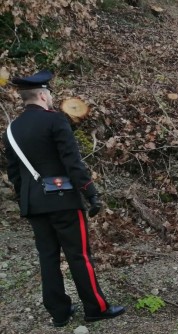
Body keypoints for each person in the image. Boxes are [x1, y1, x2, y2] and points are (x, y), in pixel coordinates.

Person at [2, 70, 125, 327]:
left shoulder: (11, 130)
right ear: (43, 95)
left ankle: (59, 313)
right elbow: (72, 162)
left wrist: (26, 200)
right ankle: (95, 308)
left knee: (47, 258)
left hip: (33, 204)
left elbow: (14, 174)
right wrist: (91, 193)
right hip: (63, 201)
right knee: (78, 255)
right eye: (49, 93)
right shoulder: (55, 120)